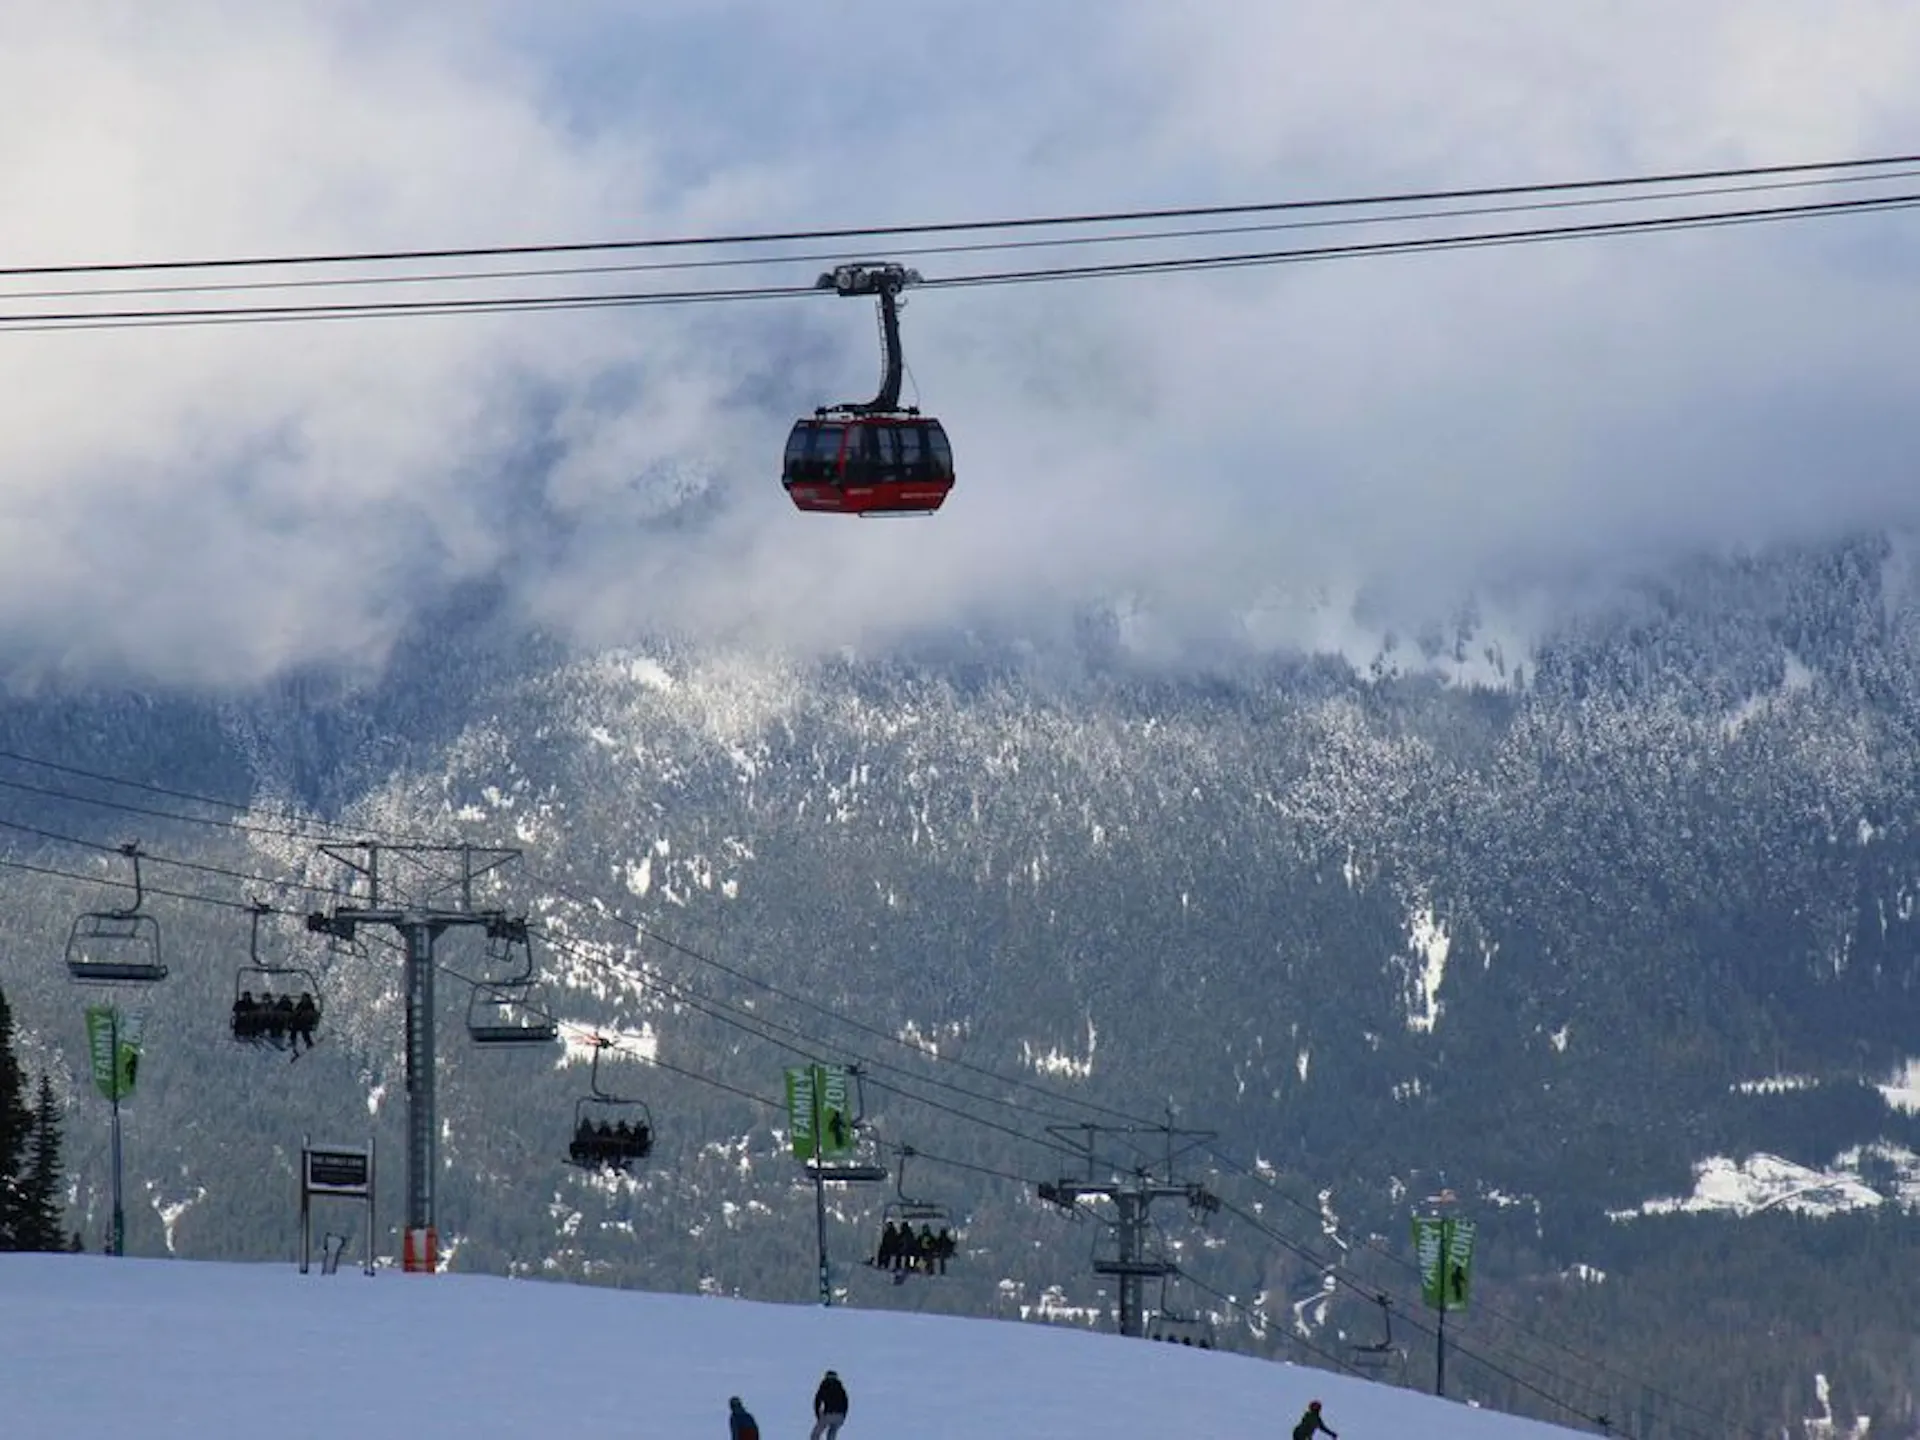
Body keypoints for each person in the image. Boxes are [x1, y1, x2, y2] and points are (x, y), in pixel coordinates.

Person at [810, 1368, 849, 1440]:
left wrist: (818, 1416)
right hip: (840, 1416)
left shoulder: (825, 1385)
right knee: (832, 1434)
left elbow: (817, 1401)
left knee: (815, 1434)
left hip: (828, 1414)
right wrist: (844, 1415)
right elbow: (845, 1402)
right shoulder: (840, 1387)